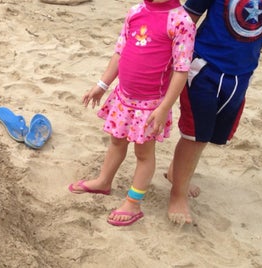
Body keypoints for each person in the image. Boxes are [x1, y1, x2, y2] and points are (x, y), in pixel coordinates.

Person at [68, 0, 196, 226]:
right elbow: (120, 51)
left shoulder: (181, 21)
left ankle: (133, 203)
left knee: (144, 154)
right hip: (123, 97)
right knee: (116, 142)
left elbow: (181, 70)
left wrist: (164, 107)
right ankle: (104, 181)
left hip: (149, 106)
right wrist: (102, 84)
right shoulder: (136, 11)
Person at [166, 0, 262, 224]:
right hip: (204, 67)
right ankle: (177, 195)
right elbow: (186, 20)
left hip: (242, 73)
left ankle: (175, 172)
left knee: (207, 132)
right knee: (195, 134)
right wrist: (171, 61)